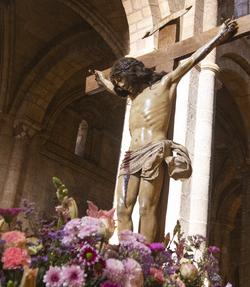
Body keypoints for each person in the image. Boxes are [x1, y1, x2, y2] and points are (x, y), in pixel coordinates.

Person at [94, 18, 237, 242]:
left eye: (123, 80)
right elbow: (115, 90)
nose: (122, 86)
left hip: (153, 152)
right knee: (122, 209)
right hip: (131, 156)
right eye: (119, 83)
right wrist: (104, 81)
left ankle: (143, 256)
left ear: (132, 73)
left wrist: (219, 36)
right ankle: (126, 255)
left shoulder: (165, 84)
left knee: (145, 208)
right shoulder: (133, 96)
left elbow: (191, 60)